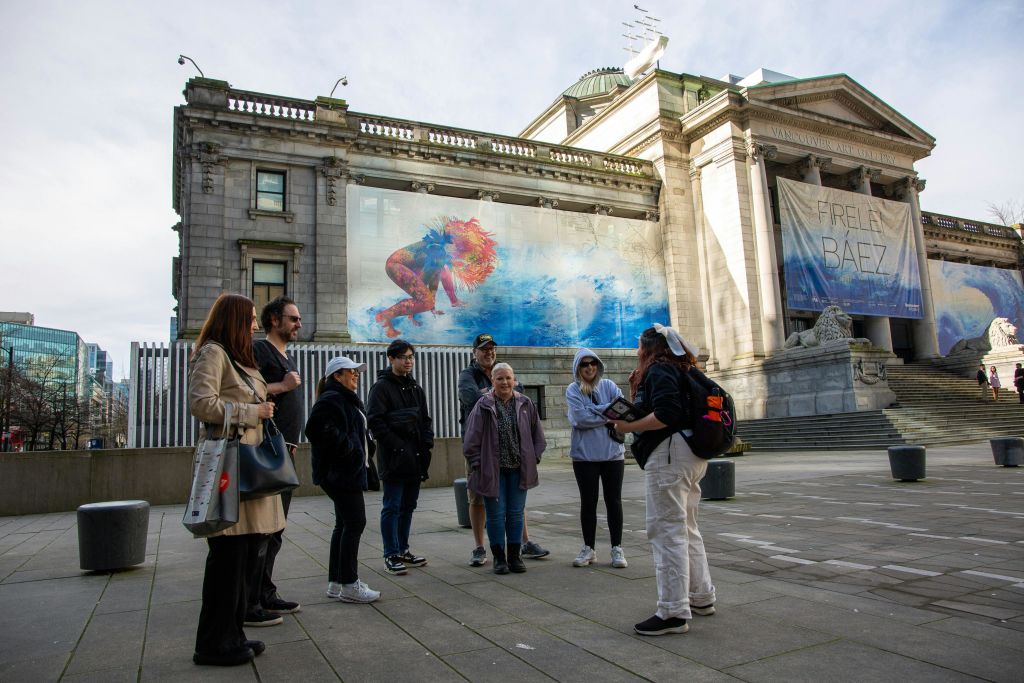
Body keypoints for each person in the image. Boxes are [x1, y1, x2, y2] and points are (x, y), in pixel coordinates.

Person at [188, 293, 285, 666]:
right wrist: (251, 412)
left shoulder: (235, 358)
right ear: (234, 320)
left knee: (244, 557)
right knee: (227, 558)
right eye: (251, 318)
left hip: (247, 467)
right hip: (230, 467)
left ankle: (233, 634)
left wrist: (261, 408)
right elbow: (200, 403)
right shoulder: (213, 353)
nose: (255, 325)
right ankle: (214, 642)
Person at [609, 324, 716, 637]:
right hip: (691, 454)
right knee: (687, 527)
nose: (637, 352)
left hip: (669, 455)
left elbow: (666, 414)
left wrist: (625, 428)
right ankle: (701, 596)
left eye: (639, 347)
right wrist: (634, 392)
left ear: (648, 348)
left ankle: (672, 611)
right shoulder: (684, 369)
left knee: (666, 530)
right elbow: (667, 408)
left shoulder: (659, 369)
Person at [458, 333, 549, 567]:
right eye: (483, 349)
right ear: (475, 353)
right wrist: (477, 463)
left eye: (492, 349)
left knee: (516, 510)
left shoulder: (523, 401)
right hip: (486, 460)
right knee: (485, 506)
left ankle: (518, 551)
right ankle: (483, 549)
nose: (489, 352)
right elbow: (470, 398)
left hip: (517, 465)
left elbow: (536, 434)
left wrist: (533, 457)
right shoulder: (469, 377)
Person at [305, 356, 380, 603]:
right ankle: (349, 584)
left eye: (357, 372)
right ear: (337, 376)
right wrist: (350, 449)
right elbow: (315, 429)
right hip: (341, 472)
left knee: (344, 524)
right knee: (355, 522)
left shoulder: (344, 398)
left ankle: (337, 582)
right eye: (351, 371)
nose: (356, 375)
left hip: (344, 471)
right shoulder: (332, 398)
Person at [248, 296, 303, 623]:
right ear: (274, 320)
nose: (298, 324)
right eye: (293, 318)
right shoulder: (260, 350)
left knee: (276, 528)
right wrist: (282, 386)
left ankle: (265, 591)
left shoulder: (286, 355)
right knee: (263, 529)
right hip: (267, 453)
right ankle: (253, 599)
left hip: (285, 452)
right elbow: (247, 391)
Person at [366, 339, 433, 575]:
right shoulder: (381, 388)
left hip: (416, 456)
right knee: (392, 506)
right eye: (403, 357)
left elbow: (425, 420)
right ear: (391, 359)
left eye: (411, 357)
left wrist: (427, 443)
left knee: (408, 506)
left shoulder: (415, 388)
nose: (408, 361)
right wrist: (397, 447)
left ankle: (403, 549)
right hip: (394, 458)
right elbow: (375, 422)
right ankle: (391, 554)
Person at [566, 348, 627, 569]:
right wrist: (606, 413)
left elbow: (621, 409)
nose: (589, 367)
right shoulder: (573, 390)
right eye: (584, 364)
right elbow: (579, 419)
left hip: (612, 455)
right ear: (577, 368)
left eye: (593, 363)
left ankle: (617, 548)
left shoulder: (609, 386)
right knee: (588, 502)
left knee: (614, 501)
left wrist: (593, 410)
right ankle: (589, 548)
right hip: (585, 457)